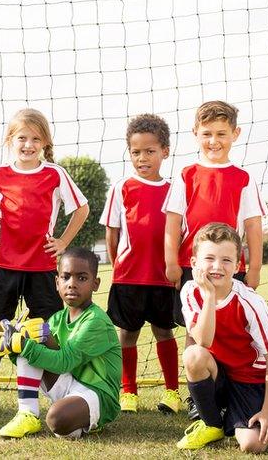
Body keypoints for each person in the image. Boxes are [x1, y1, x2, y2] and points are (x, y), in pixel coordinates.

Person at [0, 108, 90, 412]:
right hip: (5, 265)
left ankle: (61, 391)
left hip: (41, 266)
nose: (28, 144)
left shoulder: (55, 173)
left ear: (45, 143)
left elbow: (82, 208)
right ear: (10, 139)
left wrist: (63, 241)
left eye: (36, 139)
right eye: (22, 137)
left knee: (50, 330)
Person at [163, 100, 266, 418]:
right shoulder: (186, 174)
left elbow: (253, 226)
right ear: (195, 133)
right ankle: (197, 395)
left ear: (235, 133)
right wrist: (170, 261)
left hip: (230, 268)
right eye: (206, 133)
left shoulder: (243, 178)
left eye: (221, 133)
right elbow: (172, 222)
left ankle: (229, 388)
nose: (213, 141)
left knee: (229, 328)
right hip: (192, 266)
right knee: (194, 328)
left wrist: (255, 268)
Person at [101, 113, 181, 414]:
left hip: (163, 278)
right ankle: (128, 392)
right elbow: (112, 232)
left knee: (165, 332)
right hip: (129, 278)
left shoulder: (176, 189)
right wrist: (118, 267)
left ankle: (172, 392)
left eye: (150, 151)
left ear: (164, 152)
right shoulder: (121, 187)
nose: (142, 158)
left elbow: (179, 232)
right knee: (127, 334)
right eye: (136, 152)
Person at [177, 223, 268, 453]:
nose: (217, 266)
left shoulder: (251, 303)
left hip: (248, 380)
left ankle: (231, 417)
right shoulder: (190, 291)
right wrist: (209, 295)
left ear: (237, 266)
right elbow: (202, 341)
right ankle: (212, 424)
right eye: (209, 258)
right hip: (218, 374)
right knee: (193, 355)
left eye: (226, 260)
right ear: (194, 264)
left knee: (252, 445)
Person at [0, 247, 121, 438]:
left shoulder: (96, 321)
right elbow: (37, 359)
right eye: (66, 277)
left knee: (56, 420)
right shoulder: (56, 318)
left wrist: (24, 346)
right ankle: (27, 413)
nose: (72, 284)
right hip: (69, 383)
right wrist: (14, 346)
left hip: (98, 393)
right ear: (57, 282)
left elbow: (64, 362)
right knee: (31, 333)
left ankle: (86, 419)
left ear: (95, 284)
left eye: (81, 278)